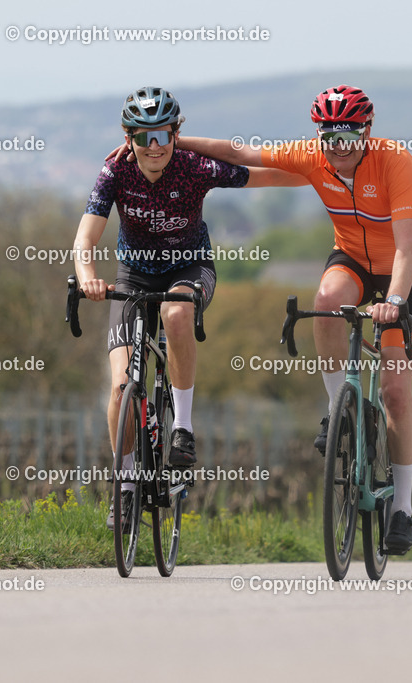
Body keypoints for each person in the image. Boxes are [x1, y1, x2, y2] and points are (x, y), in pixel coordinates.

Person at [173, 85, 412, 553]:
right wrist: (174, 143)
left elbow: (406, 248)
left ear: (367, 132)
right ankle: (338, 408)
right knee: (326, 301)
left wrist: (394, 301)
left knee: (397, 392)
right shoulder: (312, 156)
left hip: (405, 271)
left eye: (348, 137)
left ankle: (402, 508)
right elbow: (241, 152)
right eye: (329, 137)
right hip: (354, 259)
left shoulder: (394, 161)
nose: (338, 148)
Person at [74, 86, 304, 530]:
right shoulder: (114, 171)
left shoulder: (194, 167)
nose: (155, 147)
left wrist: (320, 173)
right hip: (133, 277)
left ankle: (182, 427)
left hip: (190, 268)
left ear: (176, 134)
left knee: (176, 313)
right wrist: (88, 280)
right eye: (144, 137)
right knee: (121, 389)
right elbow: (85, 239)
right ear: (128, 138)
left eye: (163, 134)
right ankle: (123, 489)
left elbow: (265, 174)